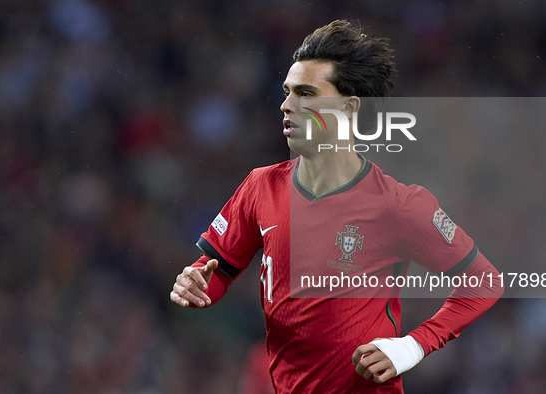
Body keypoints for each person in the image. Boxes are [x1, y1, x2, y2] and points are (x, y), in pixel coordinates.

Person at [171, 20, 503, 393]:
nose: (286, 105)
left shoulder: (398, 205)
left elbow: (484, 280)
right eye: (287, 92)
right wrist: (195, 284)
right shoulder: (259, 187)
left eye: (306, 94)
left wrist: (413, 345)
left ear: (349, 107)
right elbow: (214, 272)